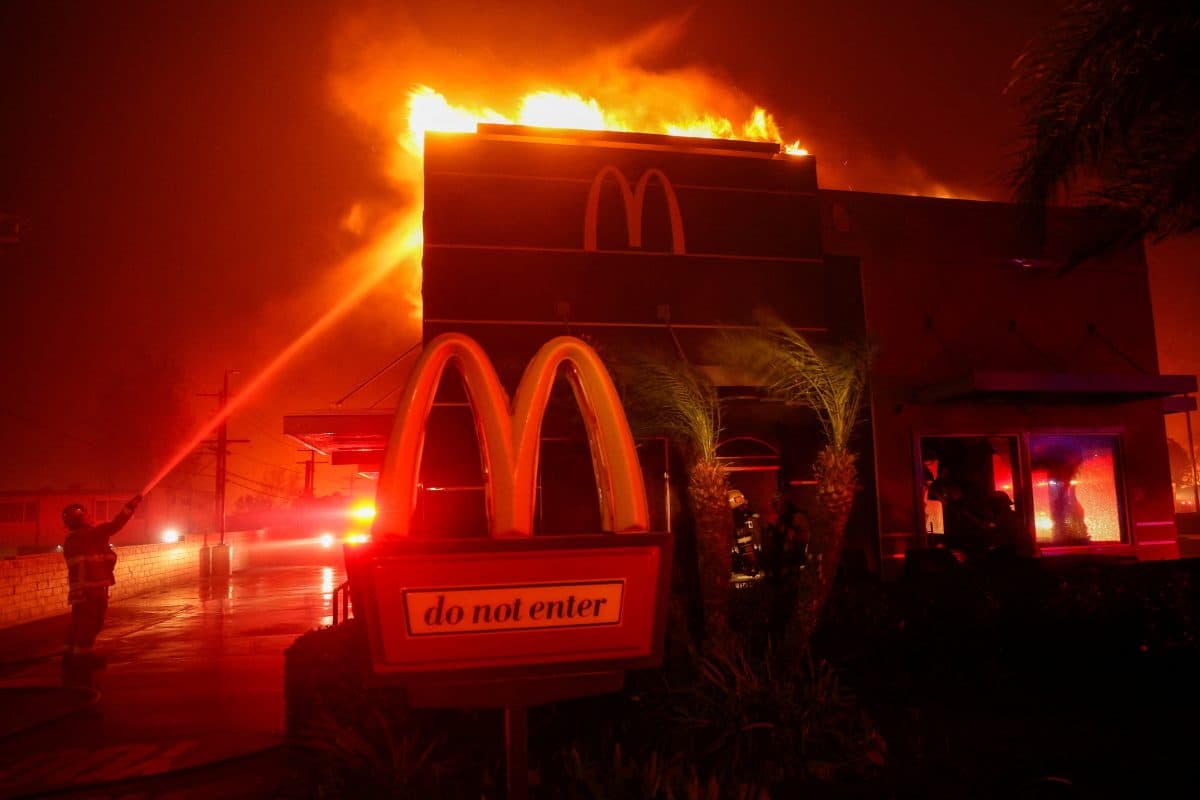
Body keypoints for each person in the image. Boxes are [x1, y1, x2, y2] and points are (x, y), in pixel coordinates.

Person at [61, 494, 142, 663]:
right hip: (92, 590)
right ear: (80, 519)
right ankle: (83, 657)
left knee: (79, 623)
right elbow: (115, 525)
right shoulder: (88, 536)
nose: (91, 518)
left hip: (82, 590)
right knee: (91, 624)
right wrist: (131, 506)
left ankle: (71, 654)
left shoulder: (74, 538)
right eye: (87, 515)